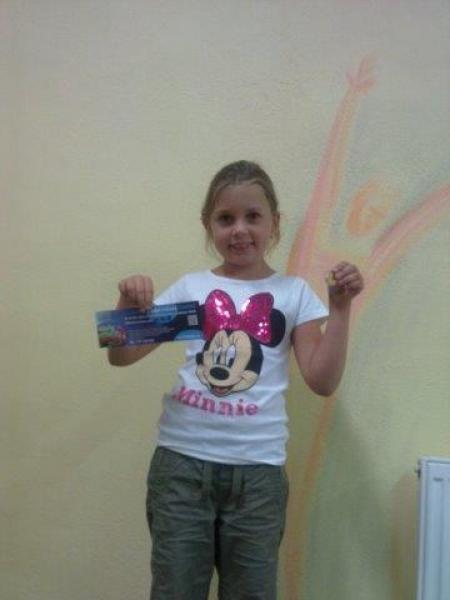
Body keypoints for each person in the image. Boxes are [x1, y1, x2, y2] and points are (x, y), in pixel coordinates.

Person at [107, 160, 364, 600]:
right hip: (181, 469)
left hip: (258, 478)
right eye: (226, 218)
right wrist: (125, 307)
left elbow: (322, 381)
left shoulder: (294, 294)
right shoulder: (192, 288)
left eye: (253, 216)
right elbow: (121, 355)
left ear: (274, 223)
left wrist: (341, 310)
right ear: (208, 225)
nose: (239, 229)